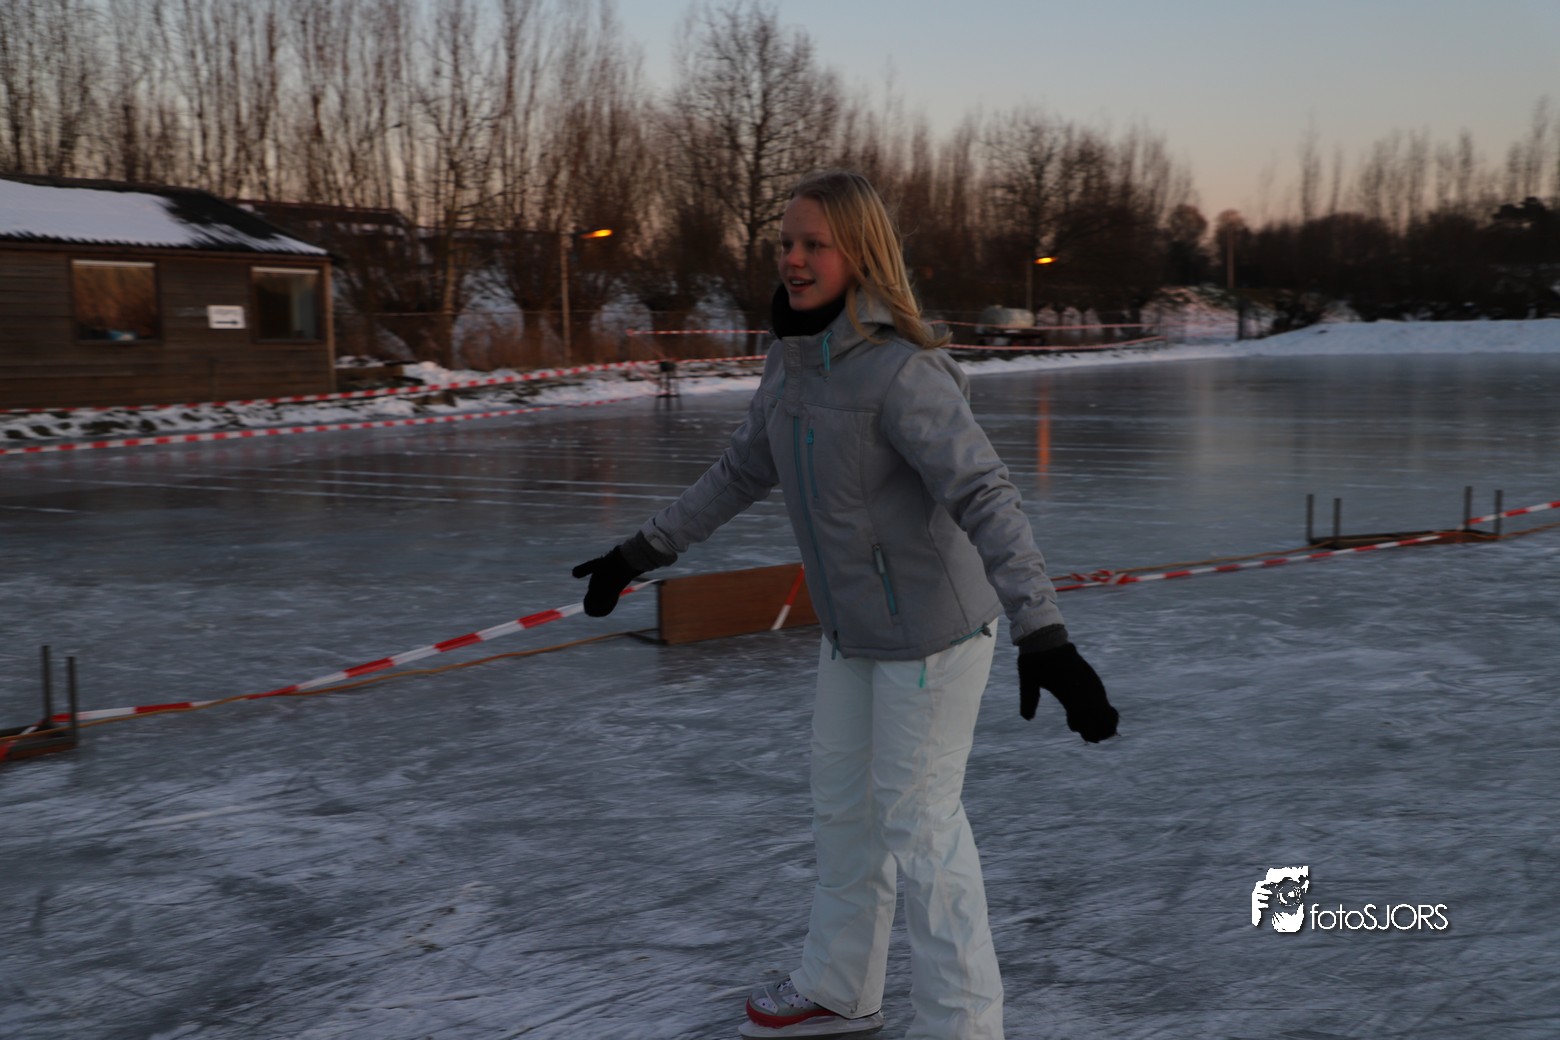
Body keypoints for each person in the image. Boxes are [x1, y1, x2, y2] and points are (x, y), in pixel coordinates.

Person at [572, 170, 1118, 1040]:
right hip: (852, 631)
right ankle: (839, 988)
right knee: (844, 813)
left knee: (920, 828)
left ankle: (964, 1027)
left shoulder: (902, 371)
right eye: (785, 242)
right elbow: (742, 469)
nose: (792, 259)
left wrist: (1044, 634)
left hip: (933, 636)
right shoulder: (791, 361)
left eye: (813, 244)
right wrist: (641, 552)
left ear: (859, 254)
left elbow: (986, 495)